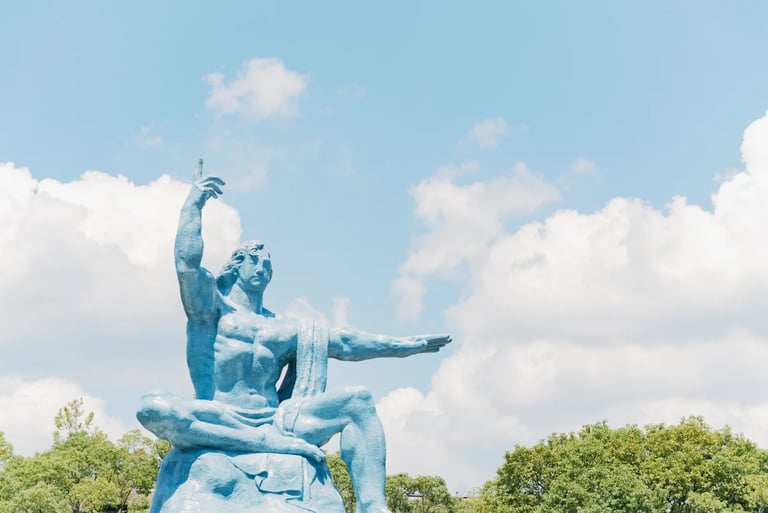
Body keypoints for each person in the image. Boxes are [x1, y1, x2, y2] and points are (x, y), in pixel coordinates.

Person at [138, 176, 451, 513]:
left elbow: (344, 342)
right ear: (235, 264)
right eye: (255, 260)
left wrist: (406, 345)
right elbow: (186, 264)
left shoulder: (285, 328)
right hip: (219, 414)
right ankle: (256, 443)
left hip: (277, 420)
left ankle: (373, 505)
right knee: (152, 407)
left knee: (358, 401)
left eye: (268, 264)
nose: (263, 267)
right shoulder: (210, 309)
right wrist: (192, 207)